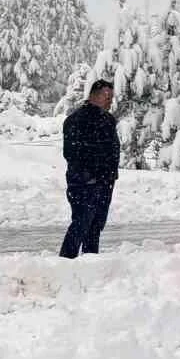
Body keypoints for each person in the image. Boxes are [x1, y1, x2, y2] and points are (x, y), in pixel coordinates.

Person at [59, 79, 120, 258]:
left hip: (105, 182)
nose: (110, 101)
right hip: (83, 182)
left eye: (111, 98)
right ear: (94, 95)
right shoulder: (76, 120)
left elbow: (111, 149)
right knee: (81, 222)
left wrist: (109, 176)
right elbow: (71, 153)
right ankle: (65, 260)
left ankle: (90, 262)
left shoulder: (108, 119)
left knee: (96, 226)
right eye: (107, 97)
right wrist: (90, 175)